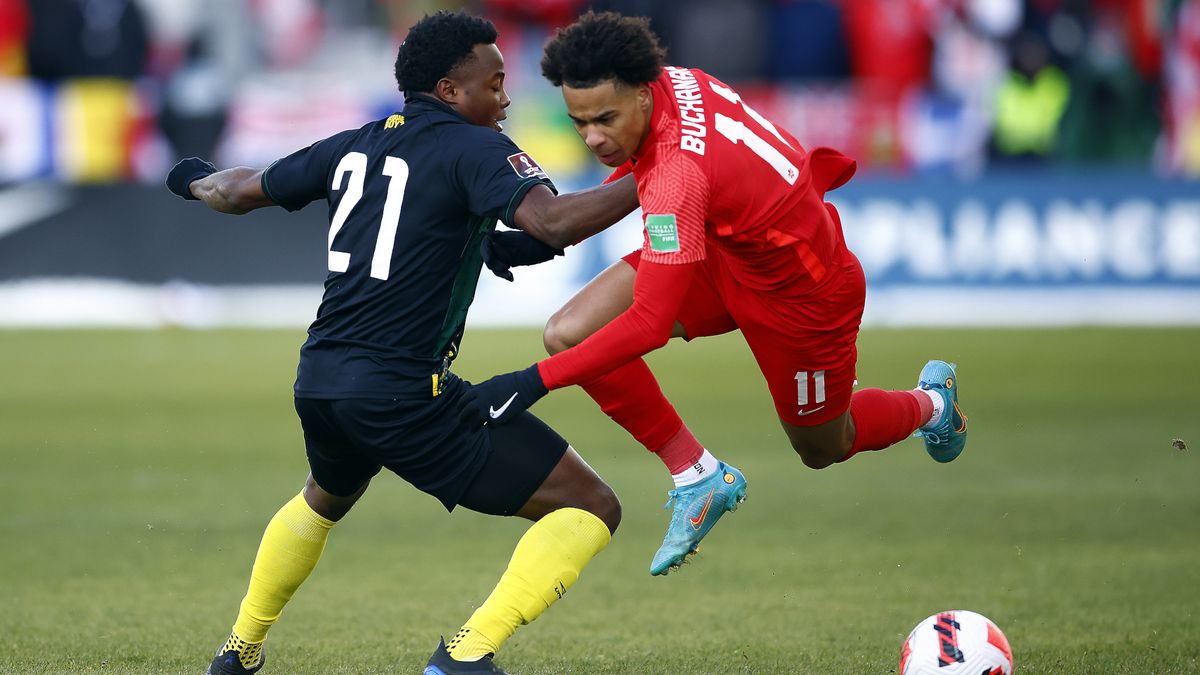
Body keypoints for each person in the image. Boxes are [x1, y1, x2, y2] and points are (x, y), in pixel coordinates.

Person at [165, 11, 639, 675]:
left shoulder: (353, 144)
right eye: (495, 82)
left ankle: (238, 650)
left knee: (324, 498)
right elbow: (552, 222)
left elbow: (235, 189)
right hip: (401, 392)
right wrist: (651, 177)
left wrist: (188, 179)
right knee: (592, 505)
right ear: (451, 91)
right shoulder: (474, 149)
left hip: (321, 382)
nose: (506, 97)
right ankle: (466, 656)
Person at [464, 11, 969, 577]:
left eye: (604, 119)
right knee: (569, 331)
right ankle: (697, 475)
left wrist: (526, 384)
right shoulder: (672, 82)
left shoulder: (679, 172)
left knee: (824, 446)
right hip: (726, 252)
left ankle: (932, 405)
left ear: (640, 93)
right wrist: (549, 242)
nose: (593, 137)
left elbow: (651, 320)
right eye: (579, 122)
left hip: (803, 294)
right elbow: (650, 166)